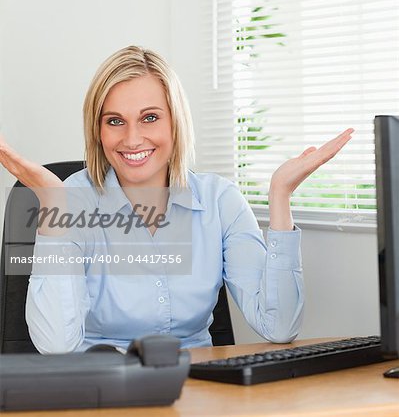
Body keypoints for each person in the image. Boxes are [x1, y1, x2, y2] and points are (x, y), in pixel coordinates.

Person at [0, 45, 353, 353]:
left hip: (199, 389)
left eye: (150, 117)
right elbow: (56, 345)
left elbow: (279, 326)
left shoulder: (220, 201)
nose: (133, 138)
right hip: (100, 391)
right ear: (98, 129)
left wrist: (280, 195)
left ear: (175, 123)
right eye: (115, 121)